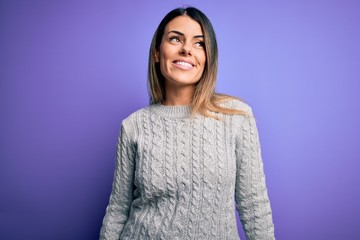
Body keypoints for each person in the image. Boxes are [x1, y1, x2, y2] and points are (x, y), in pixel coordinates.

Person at [99, 6, 275, 240]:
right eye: (175, 39)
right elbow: (119, 209)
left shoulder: (237, 116)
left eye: (199, 43)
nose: (186, 50)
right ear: (156, 53)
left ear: (208, 57)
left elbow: (254, 205)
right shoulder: (134, 126)